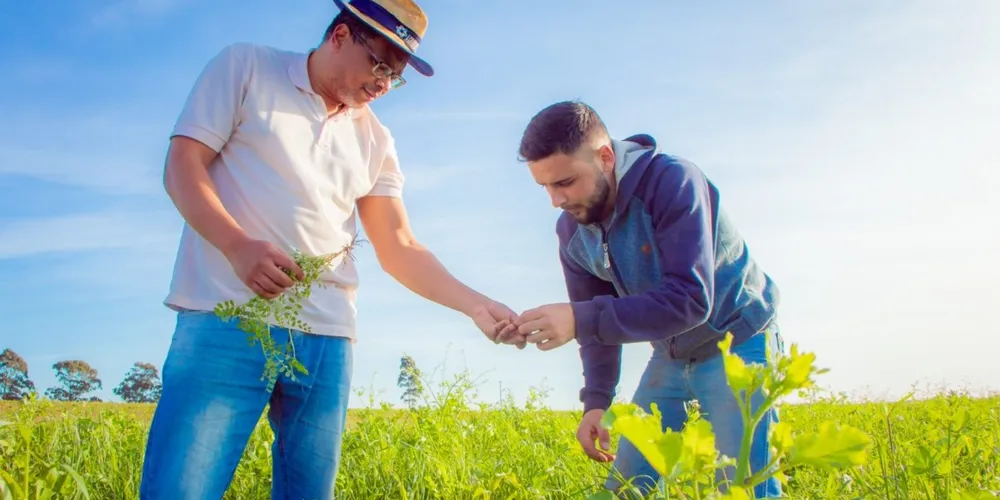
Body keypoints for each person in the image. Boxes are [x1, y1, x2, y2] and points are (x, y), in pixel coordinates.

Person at [139, 1, 521, 498]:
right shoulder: (246, 67)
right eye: (379, 65)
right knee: (181, 488)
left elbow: (399, 245)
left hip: (327, 337)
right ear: (340, 35)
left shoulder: (376, 139)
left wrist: (476, 305)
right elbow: (182, 167)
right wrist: (237, 246)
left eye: (396, 76)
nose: (384, 85)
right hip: (227, 316)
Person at [504, 100, 784, 498]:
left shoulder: (672, 182)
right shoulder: (572, 232)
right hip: (669, 355)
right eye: (545, 187)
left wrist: (578, 319)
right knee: (625, 488)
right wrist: (597, 401)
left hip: (737, 341)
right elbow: (595, 325)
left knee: (742, 488)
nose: (556, 200)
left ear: (605, 157)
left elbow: (690, 298)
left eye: (565, 182)